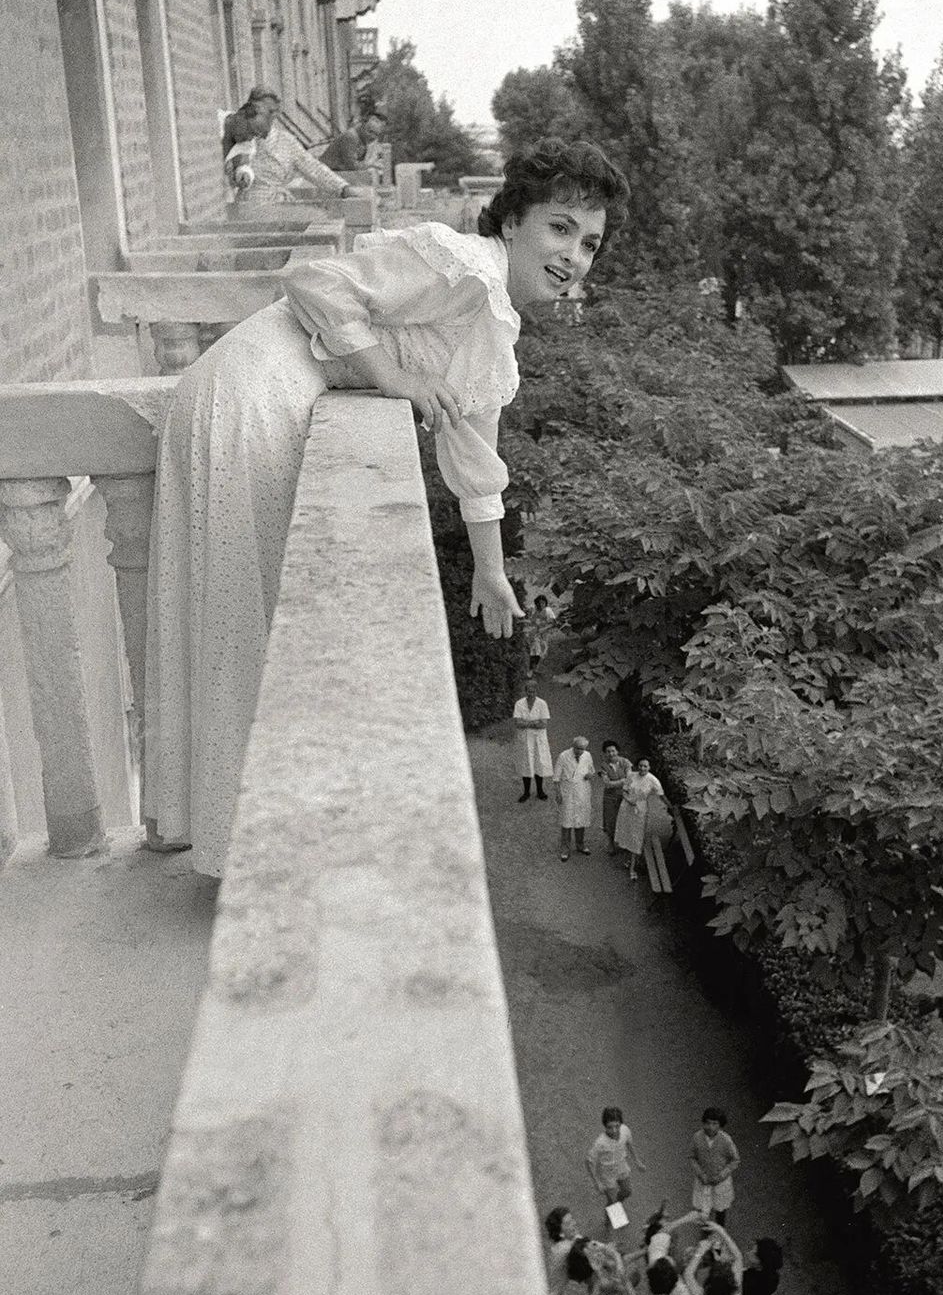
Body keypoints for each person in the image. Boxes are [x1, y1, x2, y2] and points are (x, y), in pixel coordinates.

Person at [142, 138, 629, 875]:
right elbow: (315, 282)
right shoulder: (461, 267)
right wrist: (393, 376)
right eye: (559, 227)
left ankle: (234, 841)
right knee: (248, 624)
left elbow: (473, 458)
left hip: (275, 399)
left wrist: (490, 572)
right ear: (513, 222)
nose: (574, 255)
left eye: (589, 243)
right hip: (254, 390)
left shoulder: (492, 324)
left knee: (253, 624)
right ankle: (246, 854)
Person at [222, 86, 369, 204]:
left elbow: (313, 168)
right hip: (243, 206)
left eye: (273, 112)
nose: (269, 115)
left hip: (276, 205)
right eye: (261, 110)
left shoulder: (285, 141)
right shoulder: (239, 135)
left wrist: (343, 188)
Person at [586, 1105, 646, 1217]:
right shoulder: (600, 1143)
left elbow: (629, 1144)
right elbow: (589, 1161)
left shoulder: (625, 1130)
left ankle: (613, 1206)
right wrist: (597, 1182)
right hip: (608, 1175)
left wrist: (637, 1161)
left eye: (617, 1126)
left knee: (627, 1191)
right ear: (605, 1126)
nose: (614, 1130)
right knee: (613, 1203)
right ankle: (611, 1216)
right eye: (610, 1127)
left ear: (621, 1124)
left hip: (622, 1169)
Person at [614, 758, 668, 882]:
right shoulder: (631, 776)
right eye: (640, 766)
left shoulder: (653, 780)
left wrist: (670, 806)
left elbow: (661, 794)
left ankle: (632, 868)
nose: (642, 768)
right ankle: (631, 860)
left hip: (640, 810)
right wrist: (628, 799)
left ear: (649, 767)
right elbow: (624, 790)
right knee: (628, 833)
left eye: (645, 766)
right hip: (626, 808)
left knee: (636, 837)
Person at [690, 1108, 740, 1227]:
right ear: (703, 1123)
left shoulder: (726, 1140)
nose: (711, 1127)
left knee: (720, 1209)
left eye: (714, 1124)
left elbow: (735, 1159)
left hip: (720, 1181)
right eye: (708, 1123)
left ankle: (718, 1233)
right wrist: (700, 1174)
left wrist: (722, 1175)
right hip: (704, 1180)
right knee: (704, 1208)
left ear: (720, 1125)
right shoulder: (697, 1137)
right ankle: (706, 1232)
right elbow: (692, 1157)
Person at [553, 735, 595, 861]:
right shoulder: (563, 756)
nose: (580, 751)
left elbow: (591, 770)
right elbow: (556, 778)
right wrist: (558, 793)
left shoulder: (587, 755)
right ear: (573, 746)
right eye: (577, 748)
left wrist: (590, 775)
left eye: (582, 749)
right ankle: (565, 849)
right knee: (566, 821)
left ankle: (580, 845)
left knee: (581, 819)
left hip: (582, 790)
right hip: (568, 791)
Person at [513, 677, 551, 801]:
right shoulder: (519, 704)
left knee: (539, 763)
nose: (531, 694)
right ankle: (526, 792)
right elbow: (517, 722)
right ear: (526, 691)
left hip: (538, 740)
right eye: (529, 691)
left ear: (536, 691)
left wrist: (527, 723)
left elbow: (544, 723)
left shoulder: (542, 703)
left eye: (533, 691)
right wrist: (534, 723)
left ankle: (540, 791)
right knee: (526, 764)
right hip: (524, 739)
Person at [321, 108, 387, 179]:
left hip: (339, 174)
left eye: (376, 134)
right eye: (370, 132)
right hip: (326, 175)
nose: (372, 137)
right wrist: (371, 164)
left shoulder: (364, 139)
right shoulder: (351, 136)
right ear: (362, 125)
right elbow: (353, 166)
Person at [597, 739, 632, 856]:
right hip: (610, 797)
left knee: (625, 818)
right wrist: (622, 781)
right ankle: (611, 843)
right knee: (610, 820)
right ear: (605, 753)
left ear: (617, 751)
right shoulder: (604, 765)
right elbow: (607, 783)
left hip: (625, 795)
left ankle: (624, 842)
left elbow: (630, 779)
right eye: (608, 752)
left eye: (613, 751)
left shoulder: (625, 762)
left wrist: (617, 782)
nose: (611, 754)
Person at [526, 592, 559, 664]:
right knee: (535, 646)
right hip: (535, 631)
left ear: (545, 603)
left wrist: (544, 629)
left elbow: (554, 624)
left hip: (544, 631)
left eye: (543, 603)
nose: (541, 605)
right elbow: (532, 621)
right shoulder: (535, 610)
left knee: (542, 647)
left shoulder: (548, 611)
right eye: (539, 603)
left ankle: (539, 662)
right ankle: (534, 663)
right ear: (536, 603)